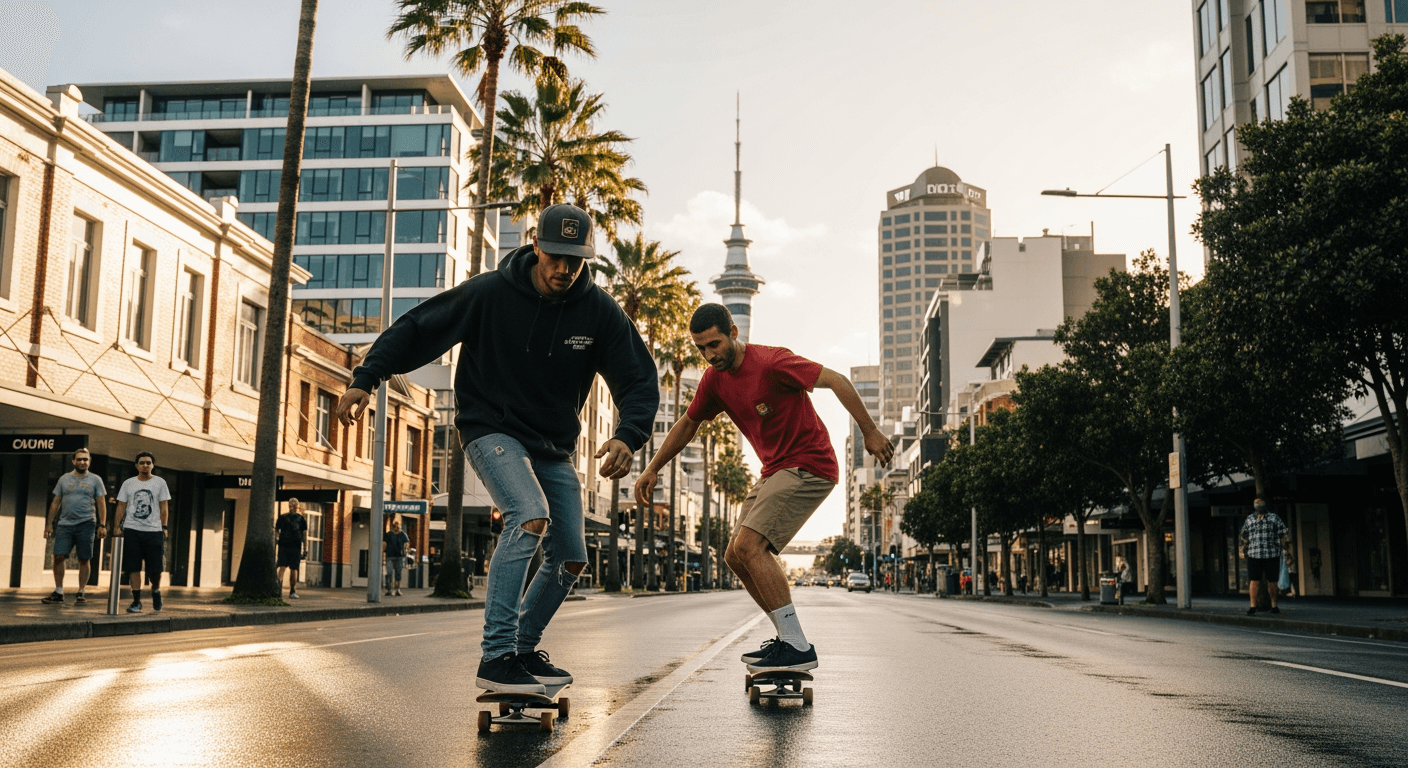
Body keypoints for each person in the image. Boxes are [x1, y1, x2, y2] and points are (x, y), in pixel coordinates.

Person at [335, 203, 657, 695]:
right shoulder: (490, 292)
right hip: (491, 429)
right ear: (536, 248)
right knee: (529, 515)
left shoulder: (599, 312)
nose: (564, 269)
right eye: (555, 257)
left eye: (575, 260)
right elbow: (420, 327)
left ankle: (523, 650)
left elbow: (638, 379)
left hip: (552, 447)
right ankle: (497, 655)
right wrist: (367, 376)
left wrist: (626, 435)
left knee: (571, 557)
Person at [635, 303, 892, 673]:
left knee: (749, 545)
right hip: (774, 471)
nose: (709, 356)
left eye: (714, 344)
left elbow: (836, 379)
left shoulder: (772, 362)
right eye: (701, 349)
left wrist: (869, 430)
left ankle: (797, 646)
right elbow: (688, 424)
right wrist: (653, 467)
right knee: (734, 555)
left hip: (810, 464)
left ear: (734, 333)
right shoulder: (714, 380)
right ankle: (789, 641)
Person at [41, 448, 107, 605]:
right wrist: (49, 524)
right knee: (58, 556)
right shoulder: (64, 479)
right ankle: (58, 592)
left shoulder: (95, 480)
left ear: (89, 461)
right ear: (73, 461)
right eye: (79, 459)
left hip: (87, 524)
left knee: (84, 558)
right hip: (65, 525)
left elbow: (101, 503)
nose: (82, 462)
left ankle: (81, 591)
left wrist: (102, 524)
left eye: (85, 459)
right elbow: (56, 502)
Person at [114, 452, 171, 613]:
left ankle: (156, 590)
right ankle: (136, 601)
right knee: (133, 567)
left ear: (153, 465)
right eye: (142, 462)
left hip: (154, 530)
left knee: (155, 568)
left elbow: (164, 507)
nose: (145, 465)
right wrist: (117, 525)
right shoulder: (128, 484)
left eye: (148, 462)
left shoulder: (160, 483)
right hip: (132, 529)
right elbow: (121, 505)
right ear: (136, 466)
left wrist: (164, 527)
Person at [1239, 497, 1289, 615]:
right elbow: (1244, 536)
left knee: (1272, 580)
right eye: (1256, 503)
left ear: (1265, 504)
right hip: (1254, 554)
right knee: (1254, 580)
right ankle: (1253, 606)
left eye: (1260, 503)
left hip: (1271, 554)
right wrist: (1242, 551)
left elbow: (1283, 534)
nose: (1258, 506)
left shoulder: (1274, 518)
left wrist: (1286, 549)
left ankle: (1274, 605)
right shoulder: (1250, 519)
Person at [276, 498, 308, 599]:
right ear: (297, 506)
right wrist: (305, 548)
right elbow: (304, 535)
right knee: (293, 569)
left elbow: (276, 530)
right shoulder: (301, 519)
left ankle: (278, 590)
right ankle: (292, 591)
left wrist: (277, 540)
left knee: (282, 567)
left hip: (284, 545)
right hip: (295, 546)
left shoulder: (282, 517)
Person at [383, 517, 410, 596]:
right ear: (393, 527)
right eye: (395, 526)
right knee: (389, 573)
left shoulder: (403, 535)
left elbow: (406, 544)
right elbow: (384, 544)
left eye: (398, 527)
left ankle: (397, 589)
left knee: (398, 573)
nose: (397, 528)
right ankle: (389, 589)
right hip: (390, 556)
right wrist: (382, 553)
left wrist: (406, 549)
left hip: (399, 556)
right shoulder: (389, 534)